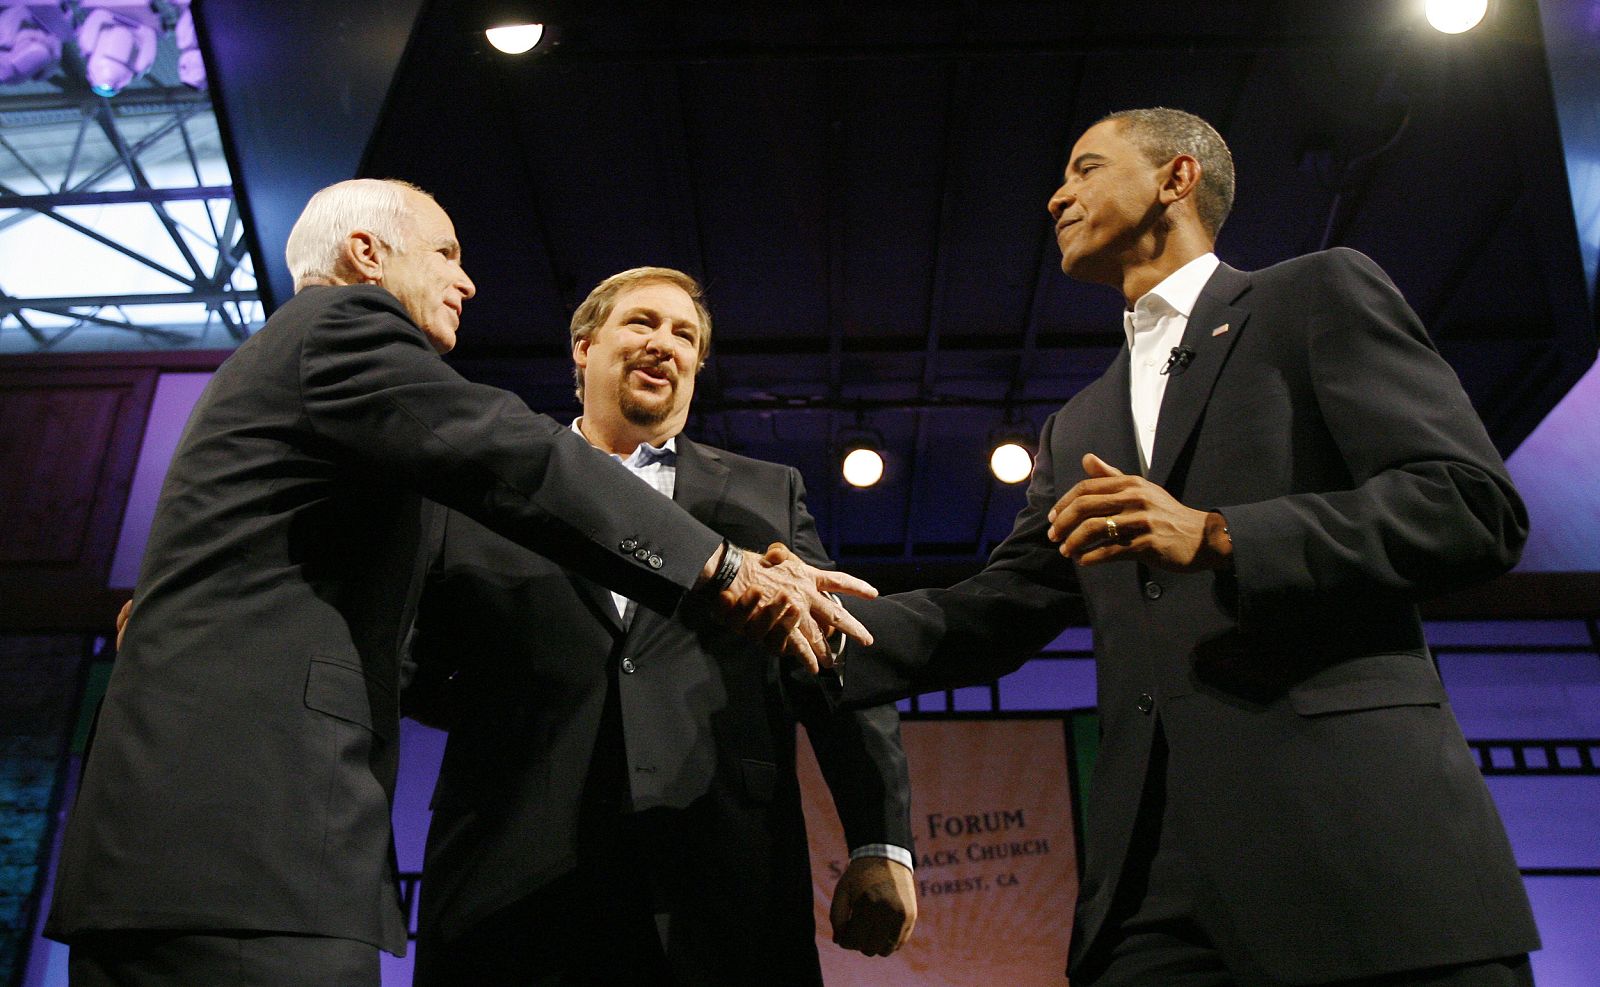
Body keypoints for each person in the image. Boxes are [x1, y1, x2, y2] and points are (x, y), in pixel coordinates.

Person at [46, 179, 876, 987]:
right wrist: (720, 566)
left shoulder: (316, 396)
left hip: (224, 861)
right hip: (244, 860)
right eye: (445, 252)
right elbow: (507, 450)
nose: (468, 279)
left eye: (685, 332)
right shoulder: (341, 323)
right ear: (367, 253)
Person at [809, 108, 1540, 985]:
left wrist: (1223, 534)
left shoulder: (1313, 295)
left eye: (1085, 168)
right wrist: (808, 623)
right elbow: (999, 611)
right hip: (1152, 886)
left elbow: (1471, 505)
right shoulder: (1078, 420)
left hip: (1359, 857)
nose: (1056, 195)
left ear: (1176, 178)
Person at [404, 267, 917, 986]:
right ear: (583, 347)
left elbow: (838, 661)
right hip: (510, 881)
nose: (665, 345)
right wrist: (513, 723)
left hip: (721, 878)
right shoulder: (485, 483)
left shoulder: (768, 494)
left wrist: (880, 840)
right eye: (642, 322)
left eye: (685, 336)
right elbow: (411, 664)